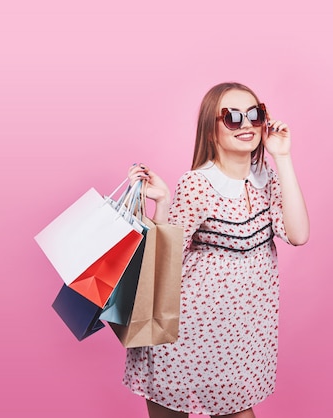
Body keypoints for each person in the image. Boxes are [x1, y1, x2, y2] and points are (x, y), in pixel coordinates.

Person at [124, 82, 310, 418]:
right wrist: (163, 202)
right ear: (212, 130)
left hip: (240, 337)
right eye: (233, 117)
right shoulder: (197, 183)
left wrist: (282, 157)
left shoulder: (266, 177)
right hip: (185, 334)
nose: (247, 124)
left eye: (255, 114)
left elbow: (298, 234)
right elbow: (165, 261)